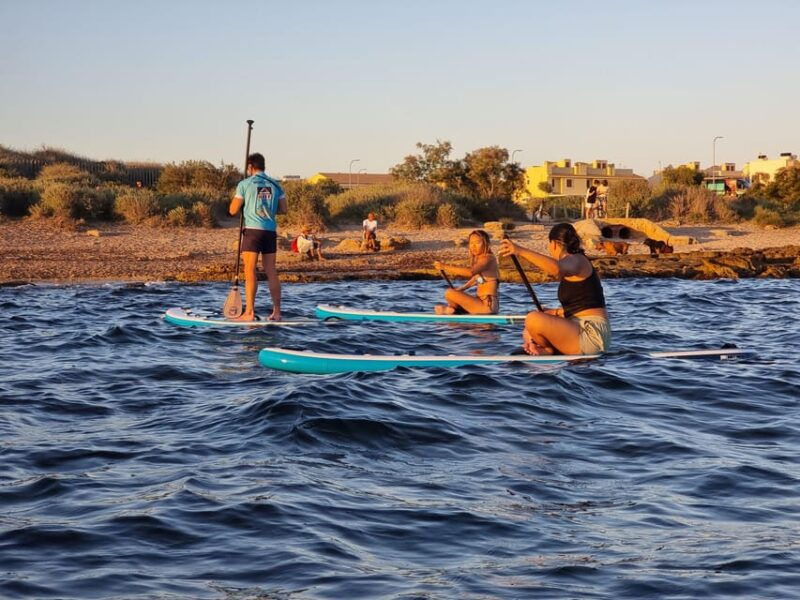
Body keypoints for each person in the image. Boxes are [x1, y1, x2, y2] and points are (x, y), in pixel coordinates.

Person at [498, 223, 611, 356]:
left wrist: (520, 251)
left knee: (533, 319)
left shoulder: (577, 260)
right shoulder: (574, 263)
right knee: (529, 328)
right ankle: (541, 348)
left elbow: (556, 269)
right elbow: (583, 305)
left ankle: (547, 350)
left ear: (554, 244)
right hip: (577, 328)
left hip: (591, 334)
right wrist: (554, 312)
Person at [228, 152, 287, 321]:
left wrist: (245, 205)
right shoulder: (276, 185)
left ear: (250, 167)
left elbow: (232, 210)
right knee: (271, 271)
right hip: (270, 231)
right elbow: (284, 209)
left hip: (253, 231)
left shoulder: (245, 184)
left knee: (250, 270)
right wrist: (267, 208)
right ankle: (277, 312)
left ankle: (249, 312)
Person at [433, 229, 500, 314]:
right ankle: (454, 310)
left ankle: (453, 311)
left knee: (449, 293)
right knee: (452, 293)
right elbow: (477, 279)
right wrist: (461, 289)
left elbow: (471, 272)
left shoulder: (487, 258)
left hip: (487, 306)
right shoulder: (480, 260)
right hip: (484, 304)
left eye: (477, 243)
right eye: (471, 243)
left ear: (486, 243)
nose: (473, 246)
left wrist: (444, 266)